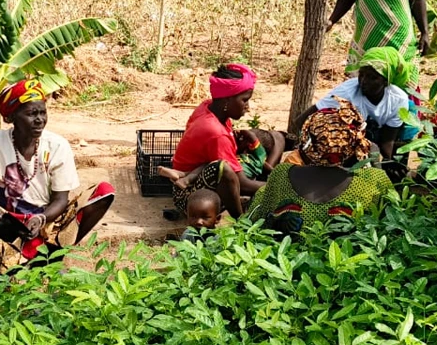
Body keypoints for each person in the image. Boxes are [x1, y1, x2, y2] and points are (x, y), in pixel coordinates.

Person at [0, 81, 116, 277]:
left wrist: (41, 218)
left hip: (46, 221)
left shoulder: (57, 145)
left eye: (42, 113)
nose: (39, 120)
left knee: (103, 192)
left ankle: (54, 252)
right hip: (6, 223)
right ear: (11, 117)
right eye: (31, 114)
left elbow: (60, 199)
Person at [246, 98, 393, 238]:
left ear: (307, 140)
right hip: (348, 261)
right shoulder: (374, 179)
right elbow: (392, 223)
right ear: (355, 144)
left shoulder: (282, 173)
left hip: (287, 260)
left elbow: (257, 219)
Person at [162, 64, 264, 218]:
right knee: (225, 171)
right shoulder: (216, 132)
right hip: (191, 200)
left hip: (195, 176)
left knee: (255, 142)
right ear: (227, 101)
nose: (247, 107)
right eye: (244, 100)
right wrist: (277, 187)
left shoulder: (208, 108)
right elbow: (241, 184)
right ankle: (241, 219)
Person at [296, 47, 413, 161]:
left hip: (378, 135)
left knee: (410, 125)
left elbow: (388, 140)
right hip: (350, 140)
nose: (364, 81)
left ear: (386, 82)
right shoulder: (346, 92)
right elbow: (303, 118)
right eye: (362, 74)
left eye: (373, 78)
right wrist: (304, 145)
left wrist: (389, 164)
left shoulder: (398, 100)